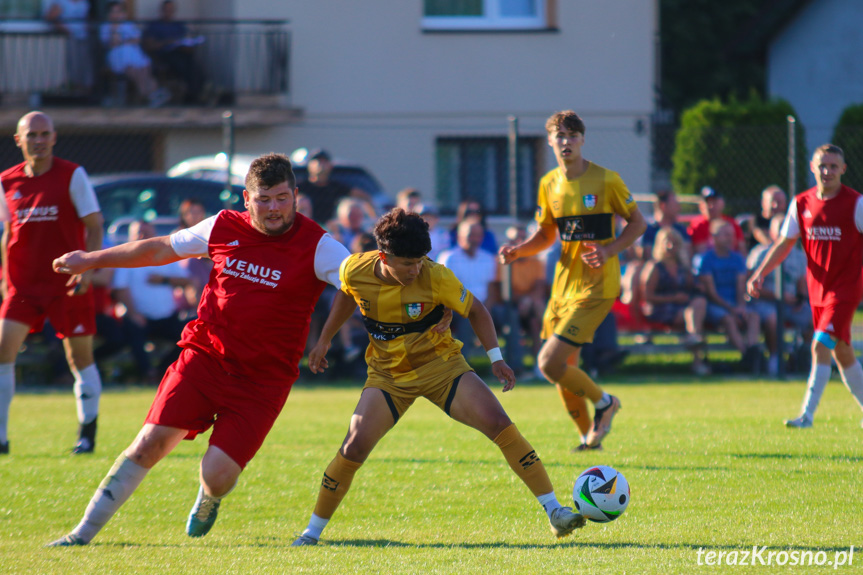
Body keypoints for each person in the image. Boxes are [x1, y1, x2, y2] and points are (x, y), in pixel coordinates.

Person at [45, 153, 352, 546]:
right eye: (263, 199)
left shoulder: (318, 245)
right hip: (204, 358)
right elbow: (158, 249)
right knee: (149, 443)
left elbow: (354, 284)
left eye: (281, 198)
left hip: (263, 381)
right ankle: (80, 534)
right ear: (247, 198)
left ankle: (208, 498)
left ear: (295, 195)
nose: (273, 208)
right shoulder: (222, 226)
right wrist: (90, 259)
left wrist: (325, 338)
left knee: (218, 475)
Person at [291, 208, 586, 546]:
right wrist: (326, 338)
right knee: (354, 446)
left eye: (420, 260)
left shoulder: (437, 276)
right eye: (407, 264)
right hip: (388, 376)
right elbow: (347, 293)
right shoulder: (355, 268)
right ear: (384, 256)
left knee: (498, 423)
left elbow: (476, 309)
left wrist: (496, 358)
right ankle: (311, 533)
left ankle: (555, 512)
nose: (416, 269)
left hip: (441, 367)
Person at [499, 110, 646, 450]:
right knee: (563, 370)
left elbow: (638, 223)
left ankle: (606, 402)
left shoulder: (607, 180)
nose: (566, 142)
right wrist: (519, 251)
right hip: (563, 288)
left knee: (548, 362)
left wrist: (609, 251)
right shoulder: (548, 184)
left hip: (598, 286)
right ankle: (587, 437)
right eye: (559, 136)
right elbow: (546, 234)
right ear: (550, 141)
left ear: (582, 139)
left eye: (572, 135)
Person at [0, 111, 104, 455]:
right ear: (19, 140)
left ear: (54, 137)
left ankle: (87, 434)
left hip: (66, 283)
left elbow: (94, 224)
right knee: (3, 351)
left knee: (80, 357)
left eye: (45, 134)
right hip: (23, 285)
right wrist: (5, 278)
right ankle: (1, 438)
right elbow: (8, 234)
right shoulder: (6, 182)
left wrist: (87, 267)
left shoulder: (73, 175)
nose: (39, 140)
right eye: (32, 135)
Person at [748, 144, 863, 428]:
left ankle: (807, 415)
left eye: (833, 166)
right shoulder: (801, 203)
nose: (827, 171)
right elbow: (785, 243)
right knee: (842, 353)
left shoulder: (856, 203)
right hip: (817, 292)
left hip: (845, 291)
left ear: (843, 170)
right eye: (822, 165)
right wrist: (760, 273)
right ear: (812, 167)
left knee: (819, 345)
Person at [111, 220, 191, 382]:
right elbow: (120, 290)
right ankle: (147, 374)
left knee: (189, 338)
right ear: (130, 236)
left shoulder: (165, 255)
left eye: (145, 233)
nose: (142, 236)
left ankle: (163, 370)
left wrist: (163, 280)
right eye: (138, 233)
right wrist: (134, 314)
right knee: (133, 334)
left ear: (153, 235)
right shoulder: (125, 258)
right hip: (137, 317)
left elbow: (186, 281)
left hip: (167, 316)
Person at [746, 214, 812, 378]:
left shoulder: (798, 256)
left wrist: (800, 300)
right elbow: (752, 287)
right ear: (772, 232)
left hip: (789, 303)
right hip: (765, 302)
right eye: (780, 228)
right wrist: (778, 296)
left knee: (814, 318)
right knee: (772, 319)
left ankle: (804, 354)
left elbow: (801, 284)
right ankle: (775, 358)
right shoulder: (760, 253)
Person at [640, 227, 710, 375]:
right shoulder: (654, 267)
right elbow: (647, 297)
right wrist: (673, 298)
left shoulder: (683, 267)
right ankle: (697, 357)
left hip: (682, 307)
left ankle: (694, 338)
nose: (671, 247)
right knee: (692, 317)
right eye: (667, 242)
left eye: (674, 243)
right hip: (660, 307)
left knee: (699, 303)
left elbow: (691, 286)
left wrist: (699, 285)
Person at [695, 220, 761, 371]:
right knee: (728, 319)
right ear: (714, 237)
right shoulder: (706, 260)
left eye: (732, 235)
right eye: (725, 235)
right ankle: (748, 358)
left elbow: (740, 286)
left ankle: (752, 350)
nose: (730, 239)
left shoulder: (737, 258)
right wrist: (732, 309)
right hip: (716, 305)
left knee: (753, 316)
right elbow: (711, 293)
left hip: (735, 304)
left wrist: (741, 307)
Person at [437, 217, 498, 357]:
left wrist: (484, 310)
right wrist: (472, 309)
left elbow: (491, 288)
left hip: (485, 306)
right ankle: (465, 367)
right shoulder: (448, 258)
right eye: (471, 235)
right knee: (467, 317)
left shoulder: (488, 258)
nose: (474, 239)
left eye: (478, 235)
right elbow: (446, 292)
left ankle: (508, 365)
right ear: (460, 236)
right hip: (458, 308)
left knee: (510, 316)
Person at [100, 1, 170, 108]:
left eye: (118, 11)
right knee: (132, 69)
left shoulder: (128, 25)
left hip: (133, 53)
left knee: (143, 70)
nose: (116, 14)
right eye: (114, 12)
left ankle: (151, 94)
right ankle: (154, 93)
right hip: (118, 56)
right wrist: (115, 28)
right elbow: (113, 43)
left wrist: (122, 41)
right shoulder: (106, 27)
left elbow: (136, 39)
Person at [142, 0, 205, 104]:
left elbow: (186, 40)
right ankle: (191, 97)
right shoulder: (154, 25)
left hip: (181, 53)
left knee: (194, 65)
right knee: (183, 66)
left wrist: (188, 43)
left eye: (171, 10)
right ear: (161, 11)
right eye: (166, 10)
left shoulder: (179, 25)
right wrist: (167, 42)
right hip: (164, 55)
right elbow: (149, 45)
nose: (168, 12)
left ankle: (193, 96)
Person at [297, 149, 373, 224]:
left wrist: (373, 218)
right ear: (309, 165)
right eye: (317, 161)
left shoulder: (336, 187)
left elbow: (363, 196)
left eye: (324, 161)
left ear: (330, 165)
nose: (321, 164)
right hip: (305, 228)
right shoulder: (300, 187)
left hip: (332, 231)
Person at [44, 0, 94, 93]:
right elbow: (50, 16)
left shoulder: (84, 2)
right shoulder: (62, 2)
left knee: (85, 63)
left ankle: (86, 89)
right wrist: (64, 29)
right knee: (74, 63)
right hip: (71, 37)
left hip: (84, 37)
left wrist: (88, 27)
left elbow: (87, 18)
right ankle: (76, 88)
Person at [687, 186, 746, 255]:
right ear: (701, 205)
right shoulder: (698, 225)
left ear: (722, 203)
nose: (711, 206)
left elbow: (742, 251)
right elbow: (701, 253)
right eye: (708, 202)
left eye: (714, 202)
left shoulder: (731, 223)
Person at [639, 189, 690, 256]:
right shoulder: (649, 232)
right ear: (663, 206)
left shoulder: (681, 230)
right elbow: (648, 257)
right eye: (675, 204)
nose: (679, 208)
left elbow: (688, 255)